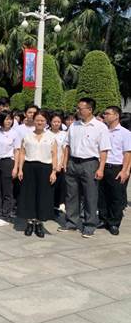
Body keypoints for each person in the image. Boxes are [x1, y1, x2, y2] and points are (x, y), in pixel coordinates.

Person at [59, 98, 111, 238]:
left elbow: (104, 150)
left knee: (90, 195)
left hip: (90, 164)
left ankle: (89, 225)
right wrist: (65, 162)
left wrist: (101, 168)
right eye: (78, 108)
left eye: (81, 108)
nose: (78, 111)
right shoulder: (74, 125)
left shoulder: (100, 127)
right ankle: (71, 222)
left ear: (90, 109)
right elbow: (67, 145)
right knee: (71, 194)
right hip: (73, 163)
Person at [17, 110, 58, 237]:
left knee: (43, 196)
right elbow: (22, 153)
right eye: (37, 120)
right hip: (29, 167)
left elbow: (55, 155)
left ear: (46, 122)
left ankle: (39, 223)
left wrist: (54, 172)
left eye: (42, 120)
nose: (39, 122)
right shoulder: (27, 136)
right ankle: (30, 222)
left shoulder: (51, 137)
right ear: (33, 121)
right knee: (29, 195)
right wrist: (20, 169)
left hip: (45, 168)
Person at [98, 106, 131, 235]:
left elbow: (127, 153)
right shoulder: (102, 131)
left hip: (116, 167)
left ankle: (114, 223)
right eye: (104, 113)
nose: (105, 116)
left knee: (116, 197)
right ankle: (103, 219)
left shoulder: (125, 133)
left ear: (116, 116)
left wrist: (125, 170)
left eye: (107, 114)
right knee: (102, 195)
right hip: (102, 166)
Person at [50, 112, 67, 212]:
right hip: (48, 163)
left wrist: (61, 164)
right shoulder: (46, 133)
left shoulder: (64, 134)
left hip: (60, 164)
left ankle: (59, 204)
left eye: (58, 122)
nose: (56, 124)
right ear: (50, 122)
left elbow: (65, 151)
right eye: (54, 121)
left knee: (60, 186)